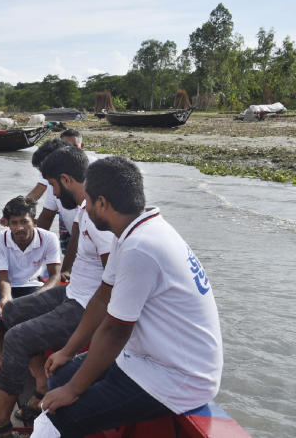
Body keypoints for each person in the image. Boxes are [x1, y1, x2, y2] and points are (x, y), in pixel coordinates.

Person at [33, 157, 223, 438]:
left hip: (177, 376)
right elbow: (102, 297)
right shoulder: (133, 232)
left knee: (53, 420)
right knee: (60, 376)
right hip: (147, 357)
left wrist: (73, 391)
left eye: (87, 201)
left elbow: (115, 330)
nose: (83, 208)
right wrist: (68, 351)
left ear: (102, 203)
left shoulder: (141, 247)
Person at [0, 147, 112, 438]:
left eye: (51, 184)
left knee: (17, 336)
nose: (49, 191)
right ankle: (39, 384)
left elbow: (111, 286)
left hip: (87, 304)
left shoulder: (99, 220)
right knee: (11, 311)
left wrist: (71, 346)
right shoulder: (84, 212)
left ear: (65, 180)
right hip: (74, 292)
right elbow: (72, 262)